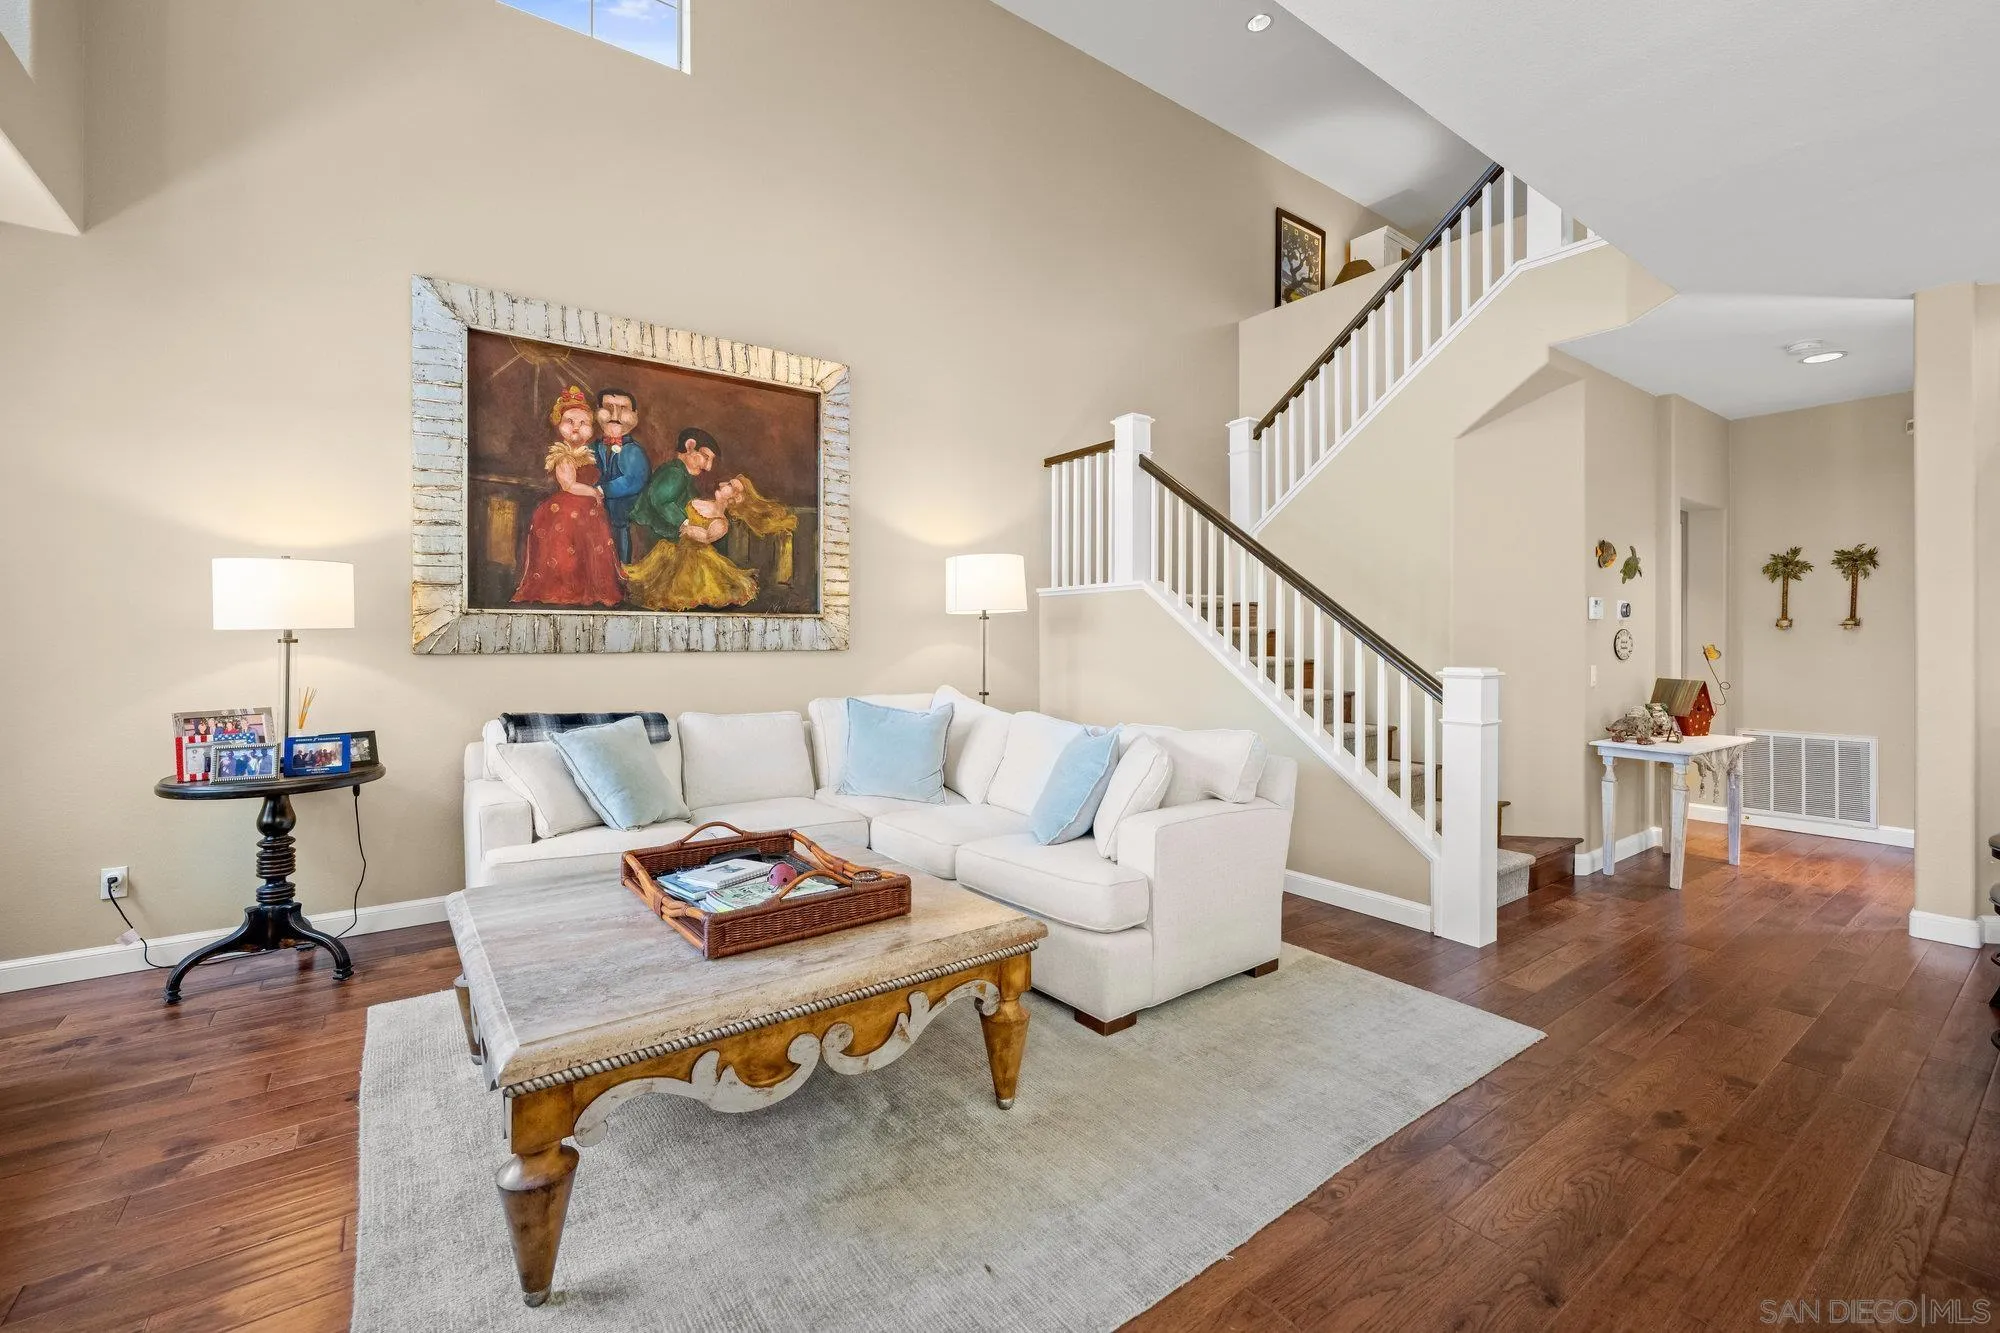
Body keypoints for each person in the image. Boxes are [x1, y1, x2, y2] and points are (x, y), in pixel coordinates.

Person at [511, 385, 624, 607]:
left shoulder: (589, 454)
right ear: (559, 424)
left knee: (590, 551)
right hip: (564, 512)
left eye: (583, 423)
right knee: (567, 555)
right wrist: (593, 492)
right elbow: (569, 484)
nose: (576, 428)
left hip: (588, 512)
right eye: (570, 422)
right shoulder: (562, 454)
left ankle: (591, 590)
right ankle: (566, 591)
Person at [623, 473, 779, 611]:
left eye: (730, 485)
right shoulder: (701, 501)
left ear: (736, 497)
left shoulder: (721, 523)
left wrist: (688, 527)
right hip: (672, 549)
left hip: (694, 559)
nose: (722, 484)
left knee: (682, 590)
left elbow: (704, 537)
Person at [628, 427, 717, 551]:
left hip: (663, 537)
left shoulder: (684, 475)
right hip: (653, 537)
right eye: (706, 457)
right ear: (690, 446)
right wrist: (686, 524)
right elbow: (661, 501)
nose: (708, 467)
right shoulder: (675, 473)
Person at [590, 388, 652, 563]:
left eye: (623, 408)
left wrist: (602, 490)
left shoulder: (634, 451)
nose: (615, 415)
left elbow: (633, 480)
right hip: (592, 513)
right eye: (608, 407)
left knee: (617, 549)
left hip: (621, 514)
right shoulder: (593, 447)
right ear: (597, 410)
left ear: (635, 414)